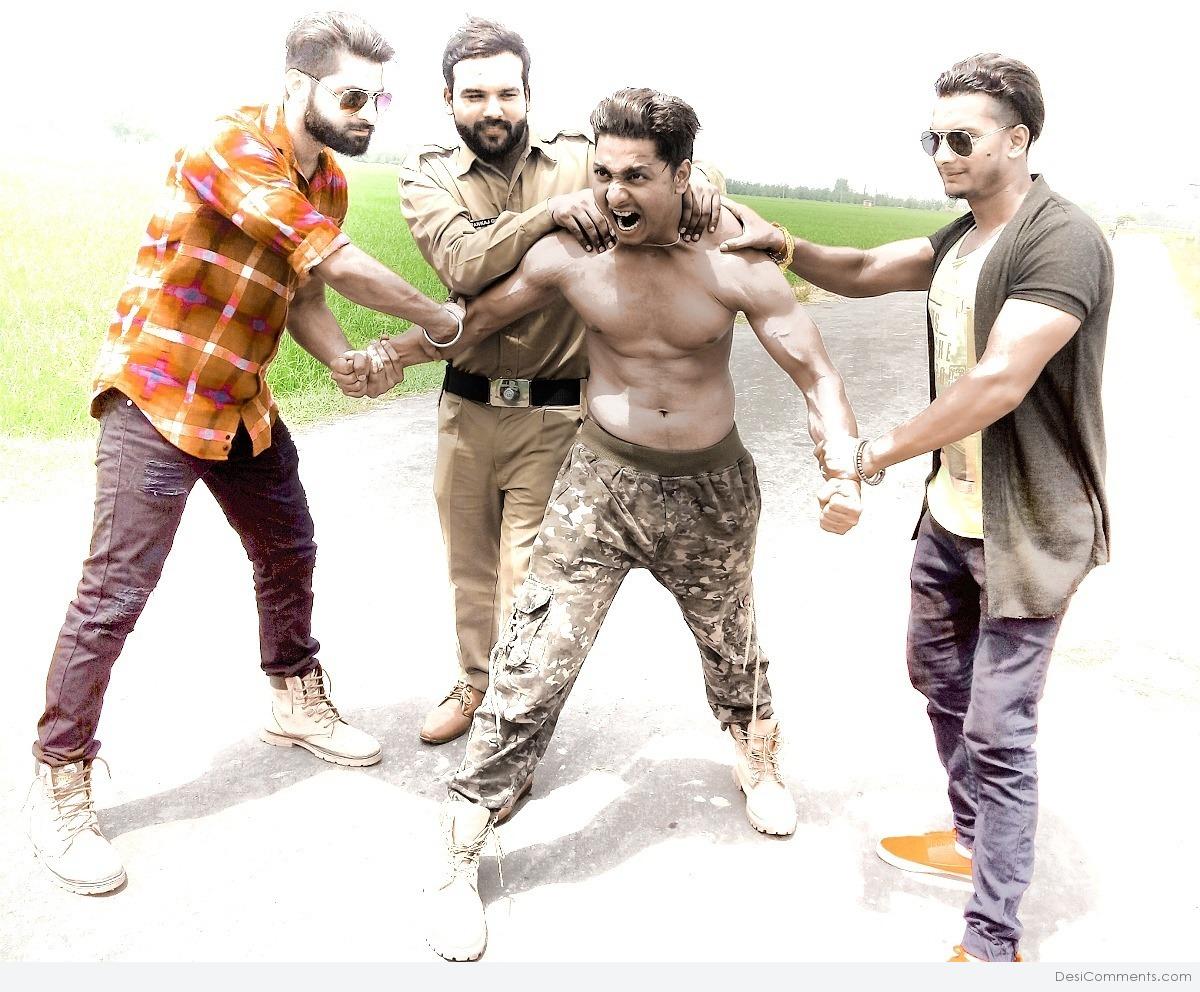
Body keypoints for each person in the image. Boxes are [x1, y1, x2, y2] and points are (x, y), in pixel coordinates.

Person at [379, 86, 863, 962]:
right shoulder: (574, 252)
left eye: (636, 175)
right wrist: (392, 353)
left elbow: (816, 373)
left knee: (732, 642)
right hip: (600, 485)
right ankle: (462, 846)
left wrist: (841, 465)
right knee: (533, 657)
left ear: (684, 175)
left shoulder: (735, 256)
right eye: (602, 173)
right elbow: (475, 321)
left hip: (712, 491)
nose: (612, 192)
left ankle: (755, 754)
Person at [25, 11, 464, 896]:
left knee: (288, 547)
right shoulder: (230, 145)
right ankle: (58, 775)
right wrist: (438, 317)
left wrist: (341, 360)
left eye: (377, 99)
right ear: (299, 85)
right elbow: (335, 263)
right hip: (158, 391)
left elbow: (303, 294)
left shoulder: (328, 179)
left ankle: (293, 694)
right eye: (352, 96)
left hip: (239, 400)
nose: (368, 113)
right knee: (114, 593)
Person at [721, 53, 1114, 962]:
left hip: (1029, 527)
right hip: (951, 515)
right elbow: (862, 267)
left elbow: (999, 381)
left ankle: (993, 939)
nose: (941, 154)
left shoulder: (1060, 240)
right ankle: (973, 836)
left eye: (961, 139)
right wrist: (784, 246)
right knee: (936, 676)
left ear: (1018, 140)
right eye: (931, 139)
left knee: (1000, 727)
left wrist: (872, 453)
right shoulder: (964, 238)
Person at [398, 18, 725, 746]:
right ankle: (472, 683)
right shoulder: (429, 175)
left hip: (554, 412)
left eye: (506, 93)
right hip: (466, 406)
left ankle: (510, 713)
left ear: (528, 94)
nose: (493, 109)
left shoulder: (581, 159)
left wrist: (700, 181)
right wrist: (549, 214)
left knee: (527, 574)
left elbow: (655, 168)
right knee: (467, 565)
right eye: (474, 94)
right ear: (448, 98)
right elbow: (462, 263)